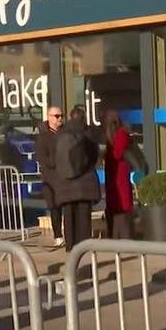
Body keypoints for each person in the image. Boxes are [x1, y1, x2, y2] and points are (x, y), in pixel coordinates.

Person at [53, 106, 101, 252]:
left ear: (70, 117)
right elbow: (94, 155)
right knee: (84, 217)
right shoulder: (89, 132)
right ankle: (84, 247)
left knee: (68, 216)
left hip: (66, 181)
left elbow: (56, 156)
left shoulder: (61, 133)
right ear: (83, 117)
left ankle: (70, 247)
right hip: (85, 181)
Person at [101, 110, 134, 239]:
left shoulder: (121, 134)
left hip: (119, 175)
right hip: (112, 176)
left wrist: (105, 153)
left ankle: (123, 236)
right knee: (115, 207)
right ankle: (114, 236)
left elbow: (117, 154)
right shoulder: (114, 135)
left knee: (121, 205)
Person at [34, 106, 65, 247]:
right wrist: (57, 160)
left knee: (67, 206)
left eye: (61, 116)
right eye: (56, 116)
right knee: (55, 207)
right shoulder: (43, 137)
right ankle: (58, 235)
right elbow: (42, 158)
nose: (59, 119)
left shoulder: (65, 133)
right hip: (51, 178)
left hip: (65, 175)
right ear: (49, 117)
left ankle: (70, 235)